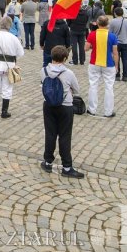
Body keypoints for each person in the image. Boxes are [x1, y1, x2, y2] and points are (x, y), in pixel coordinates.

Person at [40, 46, 84, 178]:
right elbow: (77, 90)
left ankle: (48, 161)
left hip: (48, 105)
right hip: (65, 106)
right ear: (65, 58)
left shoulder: (43, 71)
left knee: (50, 133)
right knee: (65, 136)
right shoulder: (68, 73)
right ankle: (67, 167)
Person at [0, 15, 24, 118]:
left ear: (0, 24)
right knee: (7, 87)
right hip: (9, 65)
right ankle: (4, 111)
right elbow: (21, 53)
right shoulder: (14, 38)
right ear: (10, 25)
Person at [85, 15, 118, 117]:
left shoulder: (92, 34)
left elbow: (86, 48)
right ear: (107, 24)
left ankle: (92, 109)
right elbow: (115, 53)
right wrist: (116, 66)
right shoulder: (112, 36)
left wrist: (92, 46)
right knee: (109, 87)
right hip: (109, 64)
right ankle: (108, 111)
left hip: (94, 63)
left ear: (97, 24)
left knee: (93, 85)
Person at [108, 7, 127, 82]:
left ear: (115, 13)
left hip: (116, 43)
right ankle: (125, 76)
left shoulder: (113, 21)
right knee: (125, 60)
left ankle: (117, 75)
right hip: (125, 42)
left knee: (116, 59)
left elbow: (110, 33)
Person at [70, 1, 90, 65]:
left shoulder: (72, 12)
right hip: (82, 31)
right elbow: (87, 21)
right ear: (81, 5)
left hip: (74, 30)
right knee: (82, 46)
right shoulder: (85, 13)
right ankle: (82, 60)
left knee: (74, 47)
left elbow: (68, 22)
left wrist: (71, 26)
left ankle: (75, 60)